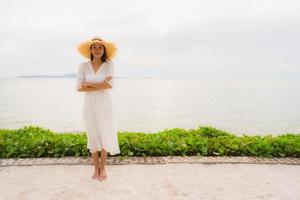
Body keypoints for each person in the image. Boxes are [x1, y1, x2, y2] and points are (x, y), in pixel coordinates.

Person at [76, 37, 120, 181]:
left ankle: (103, 168)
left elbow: (110, 86)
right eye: (94, 47)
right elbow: (79, 87)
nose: (97, 50)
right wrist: (99, 84)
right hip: (89, 105)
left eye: (100, 47)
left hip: (104, 104)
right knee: (93, 135)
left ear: (104, 50)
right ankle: (95, 169)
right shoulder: (83, 66)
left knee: (104, 134)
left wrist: (89, 83)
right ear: (90, 50)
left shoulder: (109, 65)